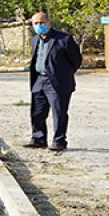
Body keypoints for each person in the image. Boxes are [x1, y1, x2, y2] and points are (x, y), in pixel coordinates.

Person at [23, 12, 82, 152]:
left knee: (59, 112)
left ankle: (59, 141)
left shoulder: (64, 39)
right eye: (36, 23)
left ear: (49, 23)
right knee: (37, 111)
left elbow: (76, 60)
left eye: (42, 23)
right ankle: (38, 138)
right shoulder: (35, 40)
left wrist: (63, 75)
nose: (39, 26)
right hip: (39, 79)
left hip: (57, 82)